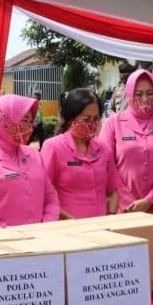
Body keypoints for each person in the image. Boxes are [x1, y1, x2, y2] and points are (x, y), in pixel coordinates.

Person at [0, 94, 59, 228]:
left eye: (30, 122)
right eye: (23, 120)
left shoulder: (34, 155)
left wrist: (47, 226)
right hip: (3, 244)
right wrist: (9, 233)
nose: (29, 127)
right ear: (3, 121)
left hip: (40, 241)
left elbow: (51, 198)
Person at [101, 69, 153, 215]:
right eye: (138, 94)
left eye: (149, 93)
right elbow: (106, 166)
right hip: (124, 208)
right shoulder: (112, 124)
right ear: (129, 94)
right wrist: (128, 201)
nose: (145, 99)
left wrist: (151, 199)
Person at [41, 88, 119, 218]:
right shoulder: (53, 147)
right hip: (67, 228)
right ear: (71, 118)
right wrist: (71, 221)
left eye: (96, 119)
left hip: (102, 226)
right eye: (87, 119)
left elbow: (113, 190)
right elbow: (43, 194)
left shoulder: (104, 147)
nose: (92, 124)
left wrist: (111, 215)